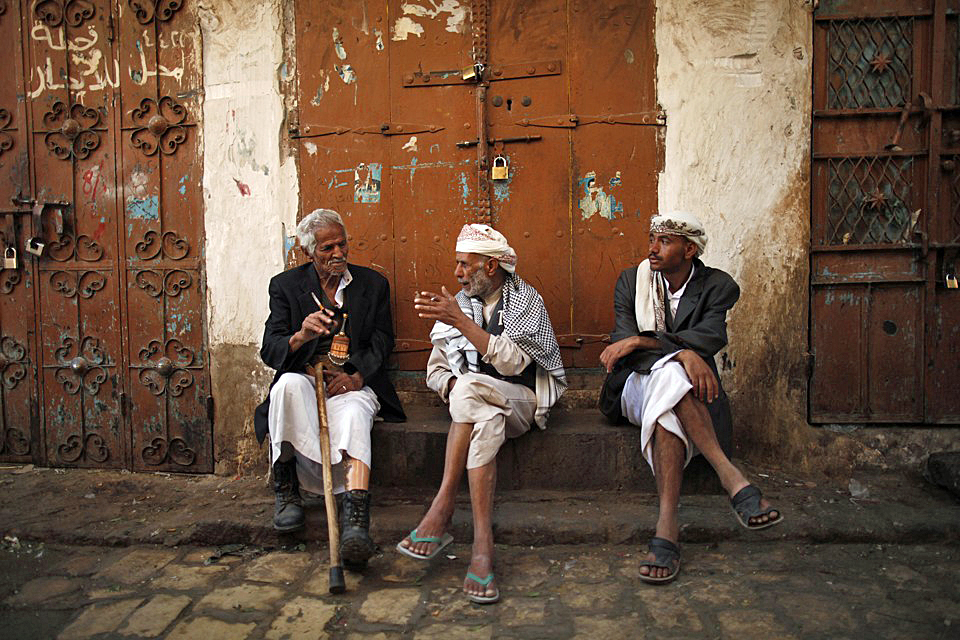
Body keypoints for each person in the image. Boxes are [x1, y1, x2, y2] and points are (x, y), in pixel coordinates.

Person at [599, 211, 782, 585]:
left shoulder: (718, 287)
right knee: (670, 373)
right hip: (634, 384)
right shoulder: (632, 282)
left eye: (664, 241)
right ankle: (731, 477)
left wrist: (650, 342)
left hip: (681, 393)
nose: (652, 248)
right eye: (652, 238)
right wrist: (681, 353)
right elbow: (624, 350)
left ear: (689, 249)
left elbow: (710, 337)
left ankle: (667, 526)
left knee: (668, 398)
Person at [397, 224, 566, 604]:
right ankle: (482, 548)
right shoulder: (459, 304)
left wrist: (462, 324)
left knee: (472, 387)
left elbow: (512, 364)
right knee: (483, 416)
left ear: (490, 267)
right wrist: (455, 389)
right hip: (484, 413)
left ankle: (442, 506)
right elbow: (436, 373)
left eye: (463, 265)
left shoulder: (526, 302)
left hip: (522, 402)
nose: (457, 273)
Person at [254, 208, 405, 571]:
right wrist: (302, 335)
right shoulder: (285, 286)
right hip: (306, 379)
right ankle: (287, 492)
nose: (338, 254)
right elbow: (271, 350)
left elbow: (383, 341)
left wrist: (356, 376)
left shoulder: (372, 285)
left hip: (350, 382)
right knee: (286, 387)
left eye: (342, 244)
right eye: (327, 248)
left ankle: (355, 516)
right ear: (308, 251)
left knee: (355, 412)